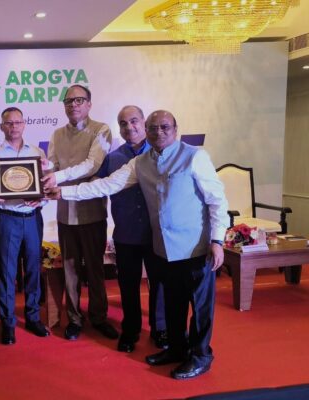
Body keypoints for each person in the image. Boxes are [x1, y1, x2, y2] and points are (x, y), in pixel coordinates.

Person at [48, 110, 228, 380]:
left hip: (196, 247)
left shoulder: (195, 156)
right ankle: (177, 349)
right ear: (147, 130)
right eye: (153, 128)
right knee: (174, 304)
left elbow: (217, 200)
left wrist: (217, 240)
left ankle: (201, 356)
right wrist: (63, 192)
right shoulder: (140, 162)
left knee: (200, 307)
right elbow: (106, 185)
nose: (158, 132)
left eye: (164, 127)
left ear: (175, 129)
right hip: (164, 249)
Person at [41, 84, 116, 341]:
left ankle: (99, 317)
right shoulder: (57, 134)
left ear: (89, 104)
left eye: (79, 100)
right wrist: (42, 170)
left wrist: (58, 176)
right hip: (65, 212)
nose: (73, 105)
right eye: (68, 101)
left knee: (95, 269)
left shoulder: (101, 130)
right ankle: (74, 319)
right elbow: (53, 167)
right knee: (70, 270)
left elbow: (92, 165)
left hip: (92, 211)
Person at [96, 106, 167, 353]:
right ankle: (131, 329)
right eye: (123, 123)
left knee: (159, 284)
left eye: (134, 121)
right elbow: (97, 187)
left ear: (144, 122)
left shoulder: (162, 153)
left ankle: (160, 329)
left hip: (156, 234)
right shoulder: (113, 158)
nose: (129, 127)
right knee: (128, 285)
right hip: (126, 234)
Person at [0, 107, 52, 345]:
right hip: (7, 218)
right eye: (9, 123)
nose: (14, 127)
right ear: (2, 126)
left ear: (24, 124)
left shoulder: (37, 152)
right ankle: (7, 323)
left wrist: (41, 198)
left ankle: (33, 317)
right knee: (6, 272)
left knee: (33, 269)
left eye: (18, 122)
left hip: (32, 217)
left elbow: (45, 185)